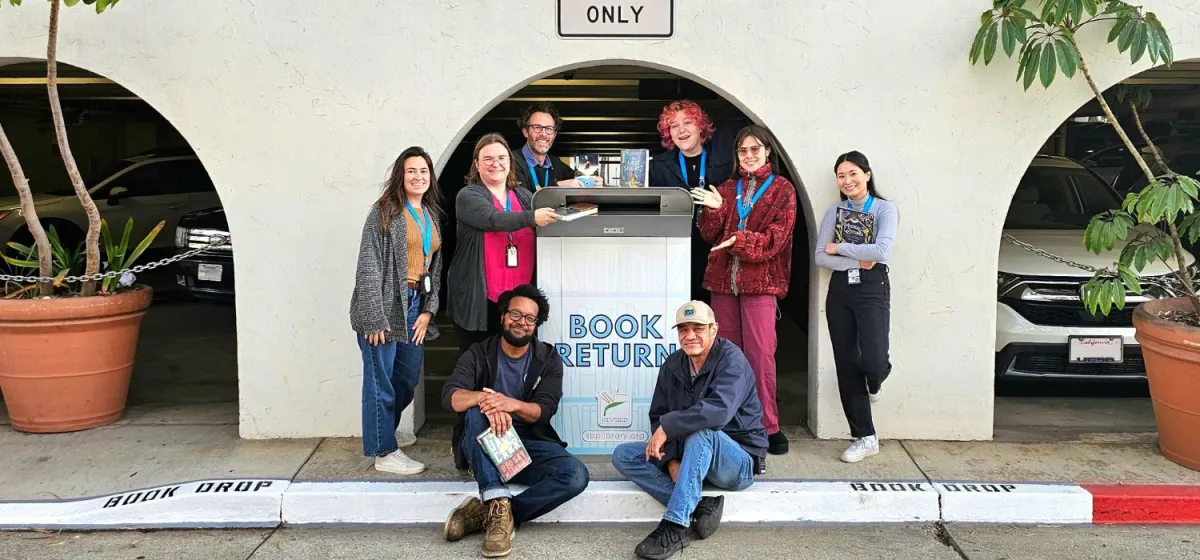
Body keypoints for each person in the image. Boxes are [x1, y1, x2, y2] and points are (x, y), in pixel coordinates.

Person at [440, 284, 589, 558]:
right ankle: (496, 499)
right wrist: (487, 401)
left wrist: (511, 404)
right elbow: (451, 396)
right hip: (488, 448)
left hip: (528, 445)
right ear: (503, 317)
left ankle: (493, 514)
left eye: (530, 318)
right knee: (474, 412)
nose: (521, 323)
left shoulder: (548, 359)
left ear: (536, 325)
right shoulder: (479, 353)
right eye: (516, 314)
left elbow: (544, 411)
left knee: (576, 475)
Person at [612, 300, 767, 560]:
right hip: (690, 455)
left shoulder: (732, 360)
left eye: (698, 328)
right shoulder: (673, 364)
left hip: (737, 460)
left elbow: (718, 411)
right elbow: (658, 415)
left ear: (714, 329)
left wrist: (668, 429)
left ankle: (675, 525)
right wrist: (671, 458)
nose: (690, 335)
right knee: (624, 454)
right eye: (683, 329)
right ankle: (699, 506)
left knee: (703, 431)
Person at [692, 124, 796, 456]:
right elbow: (709, 234)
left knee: (760, 355)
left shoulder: (782, 190)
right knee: (725, 357)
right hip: (723, 284)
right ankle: (732, 422)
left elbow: (774, 242)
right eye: (743, 150)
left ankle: (767, 426)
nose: (749, 155)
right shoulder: (727, 186)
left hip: (760, 284)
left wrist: (739, 240)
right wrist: (716, 208)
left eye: (755, 149)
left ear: (768, 151)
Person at [349, 146, 445, 475]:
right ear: (400, 177)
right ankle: (384, 450)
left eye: (423, 171)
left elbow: (434, 266)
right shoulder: (385, 211)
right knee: (381, 380)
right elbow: (369, 265)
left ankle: (384, 430)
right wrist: (373, 315)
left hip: (416, 302)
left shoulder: (430, 212)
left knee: (405, 378)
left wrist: (428, 310)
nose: (418, 177)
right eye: (411, 171)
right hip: (387, 303)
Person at [814, 150, 898, 463]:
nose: (847, 181)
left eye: (853, 173)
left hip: (872, 286)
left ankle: (876, 379)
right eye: (841, 175)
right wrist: (854, 258)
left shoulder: (884, 209)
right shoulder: (834, 210)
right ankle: (864, 436)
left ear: (867, 174)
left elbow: (883, 250)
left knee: (874, 359)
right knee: (847, 362)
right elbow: (821, 256)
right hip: (840, 289)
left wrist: (840, 247)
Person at [447, 133, 561, 354]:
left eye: (501, 158)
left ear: (510, 162)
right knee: (479, 364)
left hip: (519, 301)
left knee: (515, 364)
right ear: (477, 164)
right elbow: (493, 219)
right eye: (488, 158)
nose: (495, 164)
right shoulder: (468, 195)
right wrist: (532, 217)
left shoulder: (524, 195)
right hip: (482, 300)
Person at [648, 100, 736, 304]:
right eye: (674, 126)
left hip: (715, 250)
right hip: (675, 250)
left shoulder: (724, 162)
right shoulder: (659, 166)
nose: (681, 130)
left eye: (687, 122)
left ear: (701, 126)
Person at [510, 102, 583, 191]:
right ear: (525, 132)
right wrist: (556, 186)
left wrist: (589, 179)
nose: (544, 134)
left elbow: (576, 177)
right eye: (537, 127)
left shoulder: (556, 163)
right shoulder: (511, 162)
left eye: (549, 129)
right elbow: (522, 202)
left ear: (554, 135)